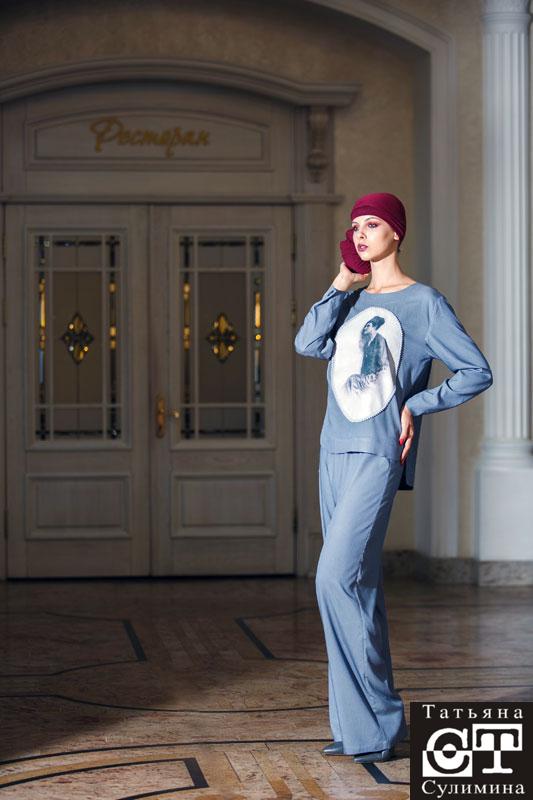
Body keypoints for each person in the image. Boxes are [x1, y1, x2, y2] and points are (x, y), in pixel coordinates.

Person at [294, 192, 493, 764]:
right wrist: (342, 281)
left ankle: (377, 720)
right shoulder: (350, 302)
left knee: (334, 580)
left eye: (372, 224)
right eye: (355, 226)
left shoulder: (424, 303)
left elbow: (476, 370)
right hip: (333, 453)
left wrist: (418, 403)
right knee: (361, 589)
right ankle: (362, 729)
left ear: (396, 233)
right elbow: (307, 343)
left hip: (379, 454)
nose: (360, 233)